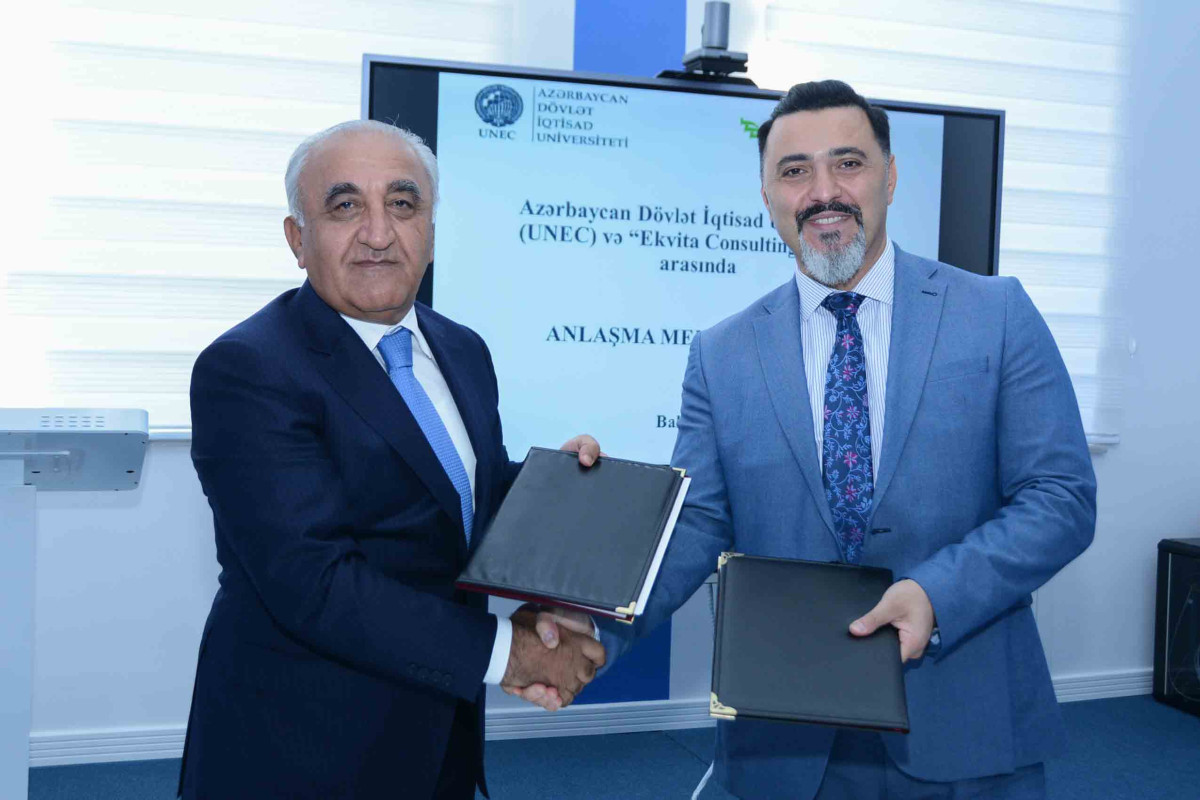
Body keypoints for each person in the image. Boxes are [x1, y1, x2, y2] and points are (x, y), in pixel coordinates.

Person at [531, 80, 1097, 798]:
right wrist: (594, 625)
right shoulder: (721, 353)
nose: (823, 192)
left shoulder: (997, 313)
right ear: (767, 195)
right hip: (786, 736)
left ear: (890, 176)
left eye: (848, 163)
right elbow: (697, 524)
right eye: (795, 171)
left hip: (966, 723)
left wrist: (935, 594)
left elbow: (1060, 498)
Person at [177, 119, 603, 800]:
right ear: (297, 239)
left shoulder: (462, 348)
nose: (378, 233)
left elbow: (456, 498)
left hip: (439, 731)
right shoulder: (248, 369)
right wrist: (509, 652)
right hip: (303, 748)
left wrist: (556, 489)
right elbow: (314, 583)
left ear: (430, 229)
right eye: (345, 206)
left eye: (402, 204)